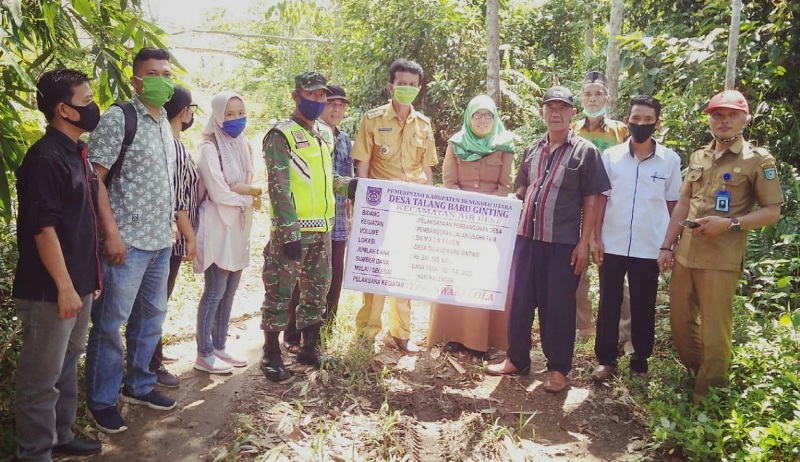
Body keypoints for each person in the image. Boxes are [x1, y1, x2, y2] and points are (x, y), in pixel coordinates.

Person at [657, 90, 783, 403]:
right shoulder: (700, 155)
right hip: (686, 254)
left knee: (715, 331)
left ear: (745, 118)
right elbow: (684, 202)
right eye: (717, 114)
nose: (724, 120)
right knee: (680, 324)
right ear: (709, 119)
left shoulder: (757, 160)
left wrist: (729, 224)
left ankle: (708, 396)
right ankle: (700, 371)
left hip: (721, 259)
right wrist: (666, 245)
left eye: (731, 115)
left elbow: (772, 210)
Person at [486, 86, 610, 393]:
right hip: (526, 238)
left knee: (558, 307)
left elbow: (592, 199)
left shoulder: (585, 152)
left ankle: (557, 369)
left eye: (562, 108)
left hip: (562, 243)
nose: (555, 113)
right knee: (521, 301)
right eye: (550, 108)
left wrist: (586, 243)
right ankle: (517, 358)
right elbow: (522, 190)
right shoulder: (532, 149)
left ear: (572, 114)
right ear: (542, 113)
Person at [85, 47, 177, 434]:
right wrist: (111, 234)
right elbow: (95, 179)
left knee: (150, 319)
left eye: (167, 73)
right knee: (110, 324)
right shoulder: (118, 118)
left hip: (160, 241)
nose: (162, 79)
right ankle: (101, 399)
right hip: (127, 242)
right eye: (153, 73)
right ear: (137, 80)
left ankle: (138, 385)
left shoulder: (163, 122)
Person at [13, 69, 104, 461]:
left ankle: (61, 435)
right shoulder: (45, 158)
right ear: (63, 109)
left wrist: (86, 281)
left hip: (76, 284)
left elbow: (80, 224)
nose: (92, 107)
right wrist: (66, 287)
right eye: (85, 101)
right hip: (50, 290)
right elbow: (43, 228)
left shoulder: (75, 152)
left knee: (67, 365)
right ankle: (35, 453)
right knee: (41, 378)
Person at [260, 71, 356, 382]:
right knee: (280, 291)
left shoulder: (325, 134)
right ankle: (271, 352)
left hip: (323, 229)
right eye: (311, 94)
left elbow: (326, 180)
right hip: (293, 231)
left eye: (321, 96)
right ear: (296, 95)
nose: (317, 101)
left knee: (317, 289)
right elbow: (279, 187)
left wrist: (351, 186)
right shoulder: (281, 134)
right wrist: (288, 233)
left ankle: (309, 347)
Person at [590, 96, 682, 381]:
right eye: (636, 118)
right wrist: (596, 238)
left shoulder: (670, 160)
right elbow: (601, 199)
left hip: (649, 245)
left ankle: (640, 361)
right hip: (613, 241)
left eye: (647, 120)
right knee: (608, 302)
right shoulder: (611, 157)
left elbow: (673, 204)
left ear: (657, 123)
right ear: (627, 120)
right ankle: (606, 360)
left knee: (644, 304)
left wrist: (671, 243)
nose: (640, 124)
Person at [351, 59, 438, 354]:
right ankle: (367, 331)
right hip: (380, 207)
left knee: (405, 270)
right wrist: (361, 205)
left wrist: (428, 204)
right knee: (377, 270)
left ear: (419, 89)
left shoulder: (424, 125)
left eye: (412, 85)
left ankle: (400, 333)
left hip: (412, 209)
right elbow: (362, 164)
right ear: (391, 86)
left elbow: (427, 170)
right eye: (401, 83)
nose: (406, 89)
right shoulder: (372, 119)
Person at [427, 94, 516, 357]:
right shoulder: (456, 143)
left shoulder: (504, 144)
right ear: (469, 117)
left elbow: (506, 186)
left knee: (487, 277)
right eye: (477, 115)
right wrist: (469, 214)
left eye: (488, 115)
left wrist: (487, 215)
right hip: (461, 223)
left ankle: (484, 340)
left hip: (493, 224)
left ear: (495, 118)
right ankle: (453, 336)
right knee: (456, 276)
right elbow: (450, 183)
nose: (483, 120)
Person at [283, 85, 355, 353]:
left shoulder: (345, 140)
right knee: (301, 279)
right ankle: (292, 335)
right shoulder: (300, 136)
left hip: (336, 221)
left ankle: (322, 334)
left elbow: (345, 178)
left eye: (341, 105)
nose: (336, 109)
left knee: (332, 277)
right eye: (331, 103)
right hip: (308, 219)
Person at [193, 91, 261, 374]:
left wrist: (245, 191)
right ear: (218, 116)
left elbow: (250, 183)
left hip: (239, 227)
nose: (236, 119)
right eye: (229, 114)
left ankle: (219, 345)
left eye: (240, 112)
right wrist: (248, 195)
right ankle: (203, 352)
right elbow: (221, 192)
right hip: (218, 225)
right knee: (215, 290)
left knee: (231, 290)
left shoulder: (243, 145)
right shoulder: (210, 148)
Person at [570, 70, 632, 345]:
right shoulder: (572, 129)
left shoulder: (621, 130)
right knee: (576, 266)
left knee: (615, 268)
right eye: (587, 94)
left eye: (598, 94)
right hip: (576, 208)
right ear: (581, 97)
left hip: (612, 209)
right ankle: (583, 326)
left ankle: (623, 331)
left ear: (607, 97)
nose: (592, 99)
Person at [146, 85, 199, 386]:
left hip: (172, 235)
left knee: (159, 301)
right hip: (173, 236)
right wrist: (190, 237)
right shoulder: (173, 147)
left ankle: (153, 354)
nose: (192, 114)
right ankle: (150, 365)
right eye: (191, 108)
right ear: (182, 111)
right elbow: (179, 201)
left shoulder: (174, 143)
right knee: (156, 302)